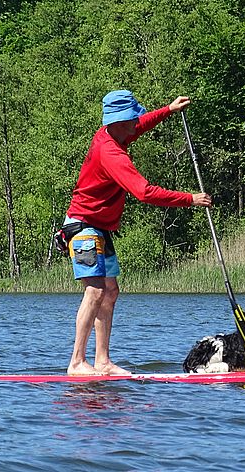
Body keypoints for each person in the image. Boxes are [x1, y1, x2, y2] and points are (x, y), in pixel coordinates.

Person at [62, 90, 211, 376]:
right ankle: (77, 362)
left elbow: (140, 126)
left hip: (101, 228)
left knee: (110, 292)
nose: (136, 122)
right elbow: (143, 192)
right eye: (132, 118)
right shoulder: (111, 153)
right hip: (82, 227)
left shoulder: (115, 134)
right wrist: (189, 199)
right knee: (94, 291)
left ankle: (102, 361)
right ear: (119, 121)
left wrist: (168, 109)